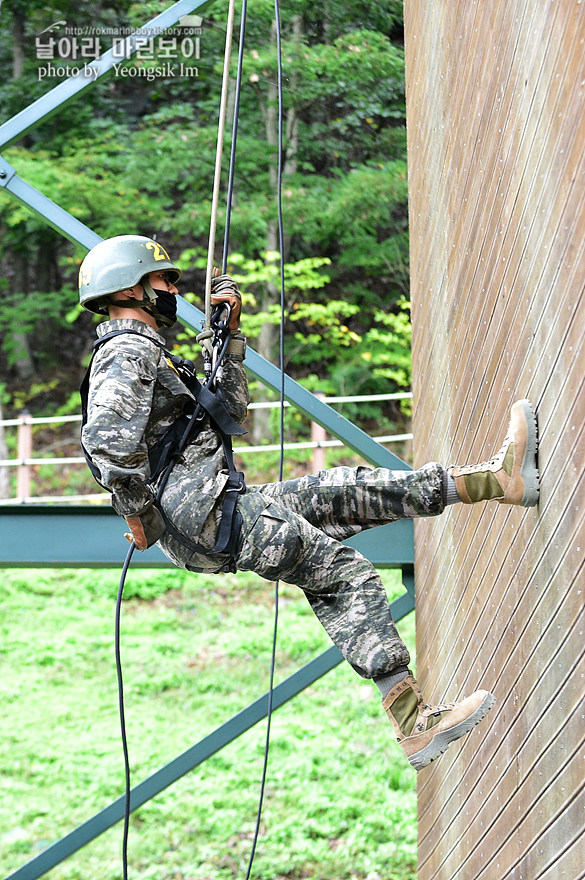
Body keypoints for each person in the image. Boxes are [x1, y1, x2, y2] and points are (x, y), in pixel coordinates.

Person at [79, 235, 540, 771]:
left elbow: (230, 415)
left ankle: (497, 481)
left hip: (220, 506)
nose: (172, 289)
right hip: (206, 516)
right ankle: (414, 725)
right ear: (131, 288)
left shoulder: (152, 354)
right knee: (343, 574)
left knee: (352, 491)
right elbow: (108, 443)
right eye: (163, 281)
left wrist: (225, 339)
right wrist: (137, 513)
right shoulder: (126, 351)